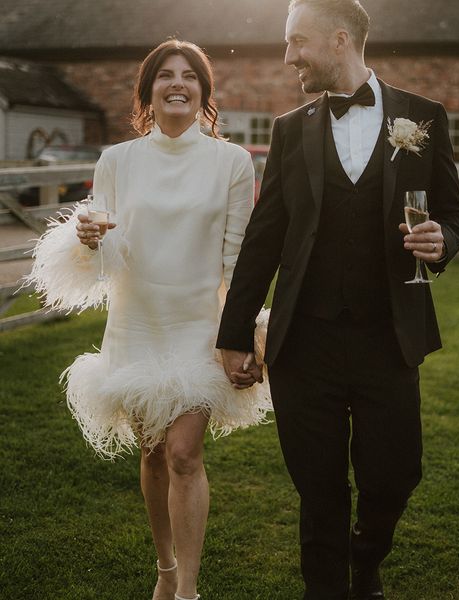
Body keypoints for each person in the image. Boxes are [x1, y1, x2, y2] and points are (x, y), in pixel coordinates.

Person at [216, 1, 459, 598]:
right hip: (306, 340)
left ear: (338, 41)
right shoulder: (288, 130)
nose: (287, 57)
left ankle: (367, 554)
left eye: (296, 42)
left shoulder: (423, 118)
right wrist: (233, 336)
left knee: (395, 476)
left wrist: (445, 241)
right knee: (318, 484)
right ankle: (325, 587)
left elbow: (455, 212)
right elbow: (263, 238)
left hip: (390, 336)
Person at [26, 39, 270, 600]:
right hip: (136, 326)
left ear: (205, 92)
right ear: (149, 91)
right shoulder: (117, 160)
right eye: (166, 75)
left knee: (185, 453)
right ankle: (163, 571)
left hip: (197, 328)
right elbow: (104, 254)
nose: (178, 82)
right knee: (154, 452)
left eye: (190, 75)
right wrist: (84, 239)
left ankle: (186, 590)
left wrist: (244, 332)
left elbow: (238, 257)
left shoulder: (231, 162)